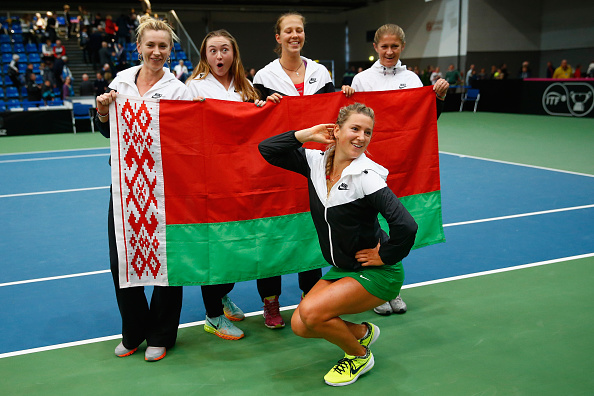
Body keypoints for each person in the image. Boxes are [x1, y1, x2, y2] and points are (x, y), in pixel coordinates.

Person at [258, 103, 418, 386]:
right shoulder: (315, 163)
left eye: (367, 132)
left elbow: (406, 225)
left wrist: (387, 255)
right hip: (343, 269)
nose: (361, 137)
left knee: (310, 313)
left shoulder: (366, 177)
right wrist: (307, 133)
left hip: (377, 273)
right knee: (300, 324)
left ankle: (359, 355)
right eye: (354, 129)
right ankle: (361, 332)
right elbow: (267, 149)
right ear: (337, 130)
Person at [95, 15, 192, 362]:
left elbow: (184, 141)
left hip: (164, 188)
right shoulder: (119, 82)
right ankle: (133, 332)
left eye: (162, 46)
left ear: (170, 50)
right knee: (121, 259)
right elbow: (108, 132)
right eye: (150, 45)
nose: (156, 51)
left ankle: (161, 334)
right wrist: (104, 113)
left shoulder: (179, 90)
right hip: (124, 187)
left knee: (168, 261)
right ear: (138, 47)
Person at [252, 12, 350, 329]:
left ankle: (312, 300)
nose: (295, 35)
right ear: (278, 37)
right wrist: (261, 103)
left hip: (316, 165)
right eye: (288, 31)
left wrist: (345, 95)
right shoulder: (264, 77)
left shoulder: (321, 73)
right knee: (273, 234)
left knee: (311, 230)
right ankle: (271, 303)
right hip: (278, 166)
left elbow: (336, 113)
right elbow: (255, 120)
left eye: (300, 30)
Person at [348, 23, 448, 316]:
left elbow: (425, 121)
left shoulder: (413, 79)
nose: (389, 52)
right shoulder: (362, 80)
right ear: (375, 48)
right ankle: (373, 292)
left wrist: (437, 99)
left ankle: (391, 288)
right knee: (369, 227)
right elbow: (352, 121)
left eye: (395, 46)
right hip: (367, 164)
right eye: (384, 46)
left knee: (395, 227)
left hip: (401, 164)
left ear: (402, 47)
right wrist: (347, 93)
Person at [186, 29, 266, 341]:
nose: (220, 56)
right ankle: (213, 316)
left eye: (225, 50)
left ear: (234, 54)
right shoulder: (193, 88)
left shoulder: (246, 87)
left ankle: (221, 296)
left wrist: (265, 106)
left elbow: (253, 128)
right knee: (216, 249)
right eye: (213, 51)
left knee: (238, 246)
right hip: (210, 179)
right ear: (205, 56)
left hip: (241, 178)